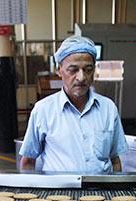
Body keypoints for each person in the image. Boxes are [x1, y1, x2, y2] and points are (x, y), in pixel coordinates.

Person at [19, 35, 127, 173]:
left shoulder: (108, 108)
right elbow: (28, 161)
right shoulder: (44, 110)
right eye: (73, 70)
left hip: (101, 191)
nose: (81, 77)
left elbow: (115, 160)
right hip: (58, 192)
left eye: (88, 70)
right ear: (59, 70)